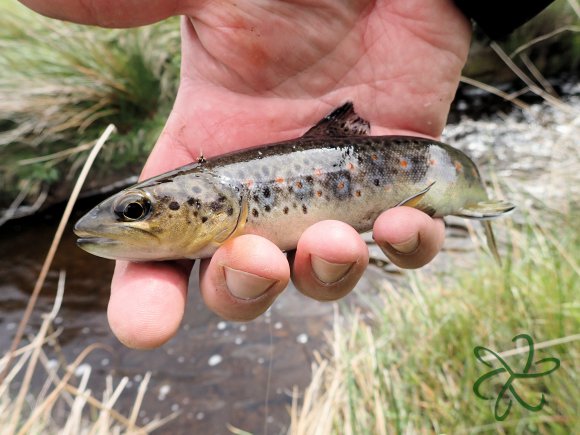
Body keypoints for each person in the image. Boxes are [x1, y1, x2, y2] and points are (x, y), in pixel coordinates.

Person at [18, 0, 551, 350]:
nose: (129, 219)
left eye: (138, 211)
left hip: (439, 168)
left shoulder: (227, 200)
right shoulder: (215, 204)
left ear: (206, 205)